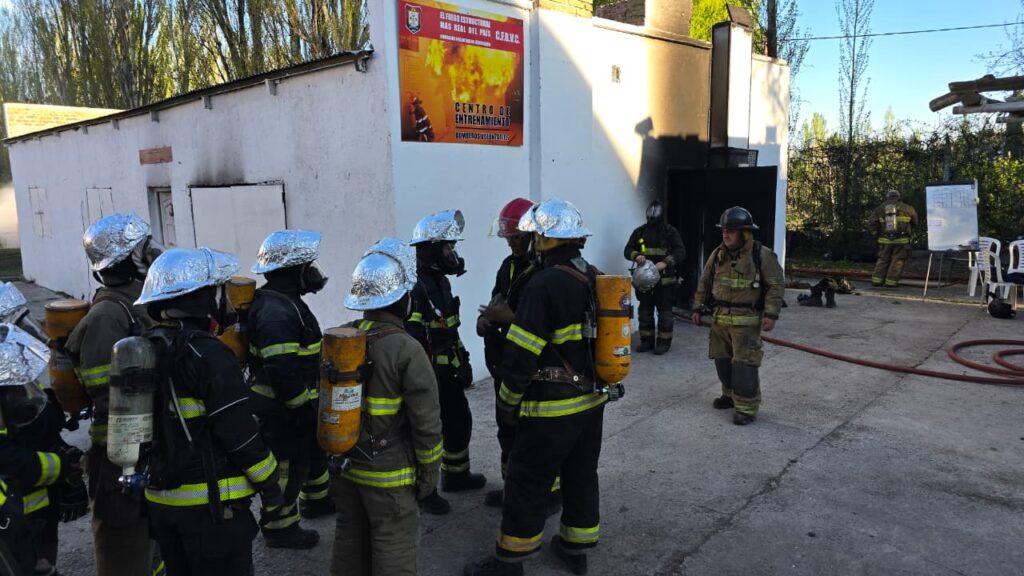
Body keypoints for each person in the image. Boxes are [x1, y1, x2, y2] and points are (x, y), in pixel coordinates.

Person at [465, 198, 608, 576]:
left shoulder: (544, 284)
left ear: (544, 240)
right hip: (591, 401)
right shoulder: (594, 275)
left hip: (550, 407)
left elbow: (522, 353)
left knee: (527, 481)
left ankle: (509, 561)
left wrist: (509, 402)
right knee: (581, 476)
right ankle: (576, 549)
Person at [135, 247, 284, 576]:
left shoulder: (145, 346)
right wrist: (271, 483)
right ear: (204, 298)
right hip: (212, 511)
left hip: (161, 504)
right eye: (220, 290)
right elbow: (238, 433)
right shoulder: (207, 353)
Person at [330, 238, 443, 576]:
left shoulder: (340, 339)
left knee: (349, 541)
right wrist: (428, 478)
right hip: (389, 474)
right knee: (392, 545)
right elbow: (427, 424)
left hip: (347, 466)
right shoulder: (406, 349)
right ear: (403, 300)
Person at [65, 212, 162, 575]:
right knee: (123, 550)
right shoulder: (108, 315)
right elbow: (107, 393)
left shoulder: (135, 303)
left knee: (152, 545)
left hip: (145, 449)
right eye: (144, 249)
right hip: (119, 456)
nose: (152, 254)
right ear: (128, 259)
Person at [247, 230, 331, 549]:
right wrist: (301, 408)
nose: (312, 271)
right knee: (287, 465)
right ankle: (280, 526)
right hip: (281, 410)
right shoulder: (275, 312)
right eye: (307, 265)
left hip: (299, 404)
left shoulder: (287, 302)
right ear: (292, 271)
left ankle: (318, 500)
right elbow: (280, 370)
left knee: (311, 454)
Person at [407, 209, 484, 515]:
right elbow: (414, 337)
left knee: (458, 420)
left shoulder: (439, 282)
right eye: (448, 247)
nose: (453, 253)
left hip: (446, 367)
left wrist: (462, 358)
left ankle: (456, 475)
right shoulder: (416, 286)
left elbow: (447, 327)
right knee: (427, 432)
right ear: (430, 250)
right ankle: (425, 491)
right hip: (428, 371)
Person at [0, 323, 86, 576]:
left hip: (38, 514)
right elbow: (14, 462)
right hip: (15, 523)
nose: (19, 395)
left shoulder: (16, 412)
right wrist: (60, 465)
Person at [691, 207, 784, 426]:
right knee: (723, 362)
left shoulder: (761, 254)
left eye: (731, 230)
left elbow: (776, 286)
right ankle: (730, 396)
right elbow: (704, 283)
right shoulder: (717, 255)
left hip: (746, 321)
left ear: (745, 233)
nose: (726, 234)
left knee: (744, 366)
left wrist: (771, 314)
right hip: (720, 320)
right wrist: (697, 308)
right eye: (724, 230)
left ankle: (747, 408)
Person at [476, 198, 539, 508]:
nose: (512, 244)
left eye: (517, 238)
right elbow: (497, 300)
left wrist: (509, 319)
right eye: (509, 238)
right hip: (504, 361)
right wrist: (485, 319)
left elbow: (546, 322)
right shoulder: (508, 266)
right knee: (506, 429)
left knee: (532, 434)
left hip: (530, 366)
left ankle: (543, 493)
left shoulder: (543, 271)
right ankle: (511, 488)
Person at [623, 200, 686, 354]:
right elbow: (627, 250)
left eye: (654, 218)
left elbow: (680, 252)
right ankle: (647, 342)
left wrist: (666, 262)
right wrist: (636, 255)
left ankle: (663, 343)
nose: (651, 221)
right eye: (649, 218)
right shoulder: (639, 232)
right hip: (644, 282)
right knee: (644, 312)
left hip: (665, 283)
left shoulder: (671, 232)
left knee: (665, 314)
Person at [869, 189, 918, 288]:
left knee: (883, 260)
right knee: (897, 261)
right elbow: (915, 223)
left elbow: (872, 223)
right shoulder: (908, 208)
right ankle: (891, 283)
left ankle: (877, 281)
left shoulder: (879, 209)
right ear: (899, 197)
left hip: (884, 240)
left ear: (887, 197)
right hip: (902, 241)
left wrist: (875, 235)